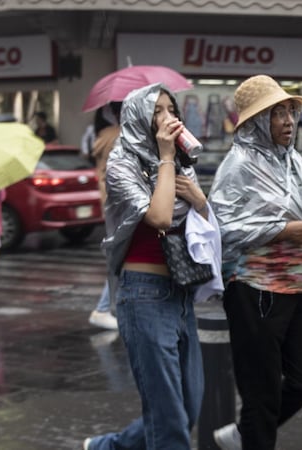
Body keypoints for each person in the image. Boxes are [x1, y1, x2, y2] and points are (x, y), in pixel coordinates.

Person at [209, 74, 302, 450]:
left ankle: (245, 434)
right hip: (254, 291)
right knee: (262, 395)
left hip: (294, 289)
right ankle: (252, 434)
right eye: (277, 113)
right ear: (258, 121)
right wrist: (282, 230)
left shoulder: (293, 163)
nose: (289, 121)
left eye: (290, 112)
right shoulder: (237, 166)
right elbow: (223, 228)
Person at [84, 83, 210, 450]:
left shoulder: (181, 163)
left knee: (187, 407)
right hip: (144, 295)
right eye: (158, 111)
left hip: (181, 292)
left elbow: (202, 224)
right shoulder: (121, 164)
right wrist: (166, 157)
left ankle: (107, 447)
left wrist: (201, 199)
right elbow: (160, 217)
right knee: (169, 421)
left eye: (172, 109)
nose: (168, 117)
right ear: (140, 117)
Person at [87, 103, 121, 331]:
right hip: (118, 202)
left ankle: (106, 307)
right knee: (120, 258)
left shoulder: (102, 134)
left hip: (109, 201)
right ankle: (102, 308)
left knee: (120, 257)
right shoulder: (118, 134)